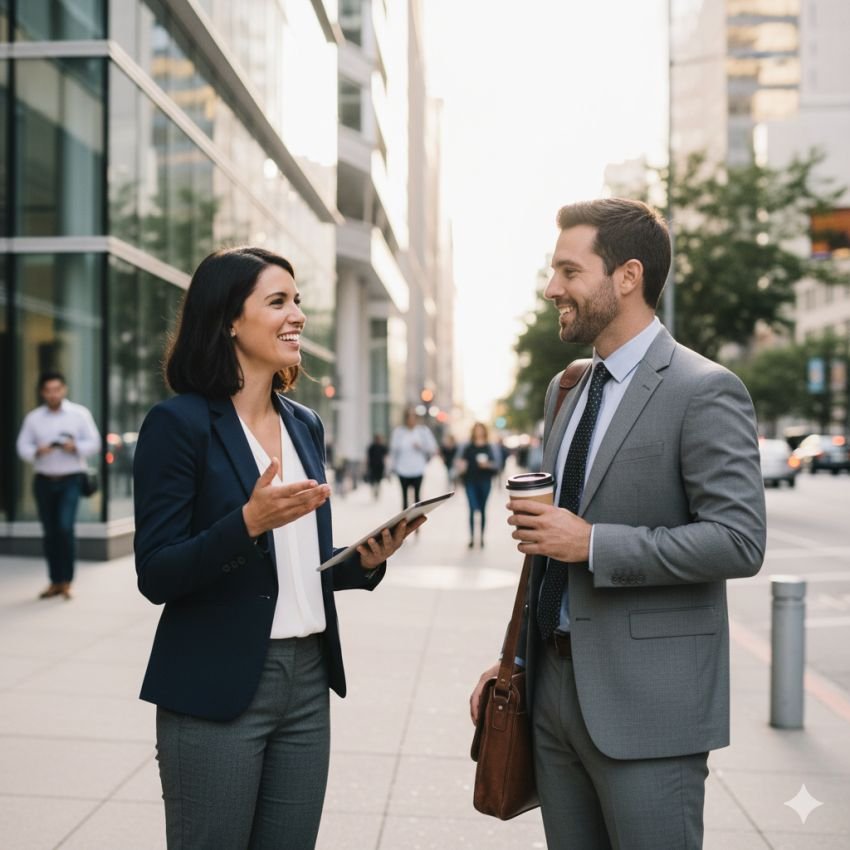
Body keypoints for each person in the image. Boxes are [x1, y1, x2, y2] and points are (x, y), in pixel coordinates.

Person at [470, 199, 766, 849]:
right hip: (550, 692)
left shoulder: (704, 389)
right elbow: (544, 554)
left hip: (648, 709)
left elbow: (740, 541)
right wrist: (512, 662)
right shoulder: (566, 389)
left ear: (626, 277)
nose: (553, 289)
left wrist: (594, 543)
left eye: (569, 271)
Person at [133, 247, 423, 850]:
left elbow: (295, 565)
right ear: (229, 321)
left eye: (298, 301)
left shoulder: (304, 424)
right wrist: (245, 522)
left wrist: (361, 563)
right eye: (278, 301)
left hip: (308, 680)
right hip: (218, 684)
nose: (297, 315)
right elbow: (156, 572)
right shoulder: (179, 424)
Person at [16, 372, 101, 600]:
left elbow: (95, 442)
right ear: (43, 392)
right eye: (48, 390)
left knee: (65, 528)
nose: (53, 394)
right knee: (50, 532)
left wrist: (75, 447)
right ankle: (54, 581)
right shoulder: (34, 418)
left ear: (64, 390)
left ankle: (67, 581)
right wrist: (36, 451)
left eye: (57, 389)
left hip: (71, 478)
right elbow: (22, 446)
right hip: (44, 479)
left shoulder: (79, 414)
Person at [389, 408, 438, 509]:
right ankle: (404, 522)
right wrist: (391, 467)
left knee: (417, 497)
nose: (411, 420)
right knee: (404, 498)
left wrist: (421, 446)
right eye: (409, 418)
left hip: (418, 469)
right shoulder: (399, 432)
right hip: (402, 469)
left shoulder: (423, 431)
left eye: (413, 418)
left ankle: (416, 522)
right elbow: (393, 450)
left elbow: (433, 448)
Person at [457, 422, 496, 548]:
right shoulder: (468, 447)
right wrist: (461, 466)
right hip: (470, 481)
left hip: (485, 481)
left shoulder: (489, 447)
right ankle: (472, 538)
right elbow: (462, 462)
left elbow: (496, 465)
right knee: (472, 509)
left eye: (480, 430)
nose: (478, 432)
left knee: (483, 510)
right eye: (476, 430)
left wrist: (487, 465)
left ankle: (482, 538)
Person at [365, 434, 388, 500]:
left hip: (380, 466)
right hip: (372, 466)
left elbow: (385, 457)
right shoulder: (371, 447)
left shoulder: (382, 447)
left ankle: (377, 492)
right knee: (373, 480)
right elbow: (368, 457)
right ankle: (374, 491)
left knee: (379, 480)